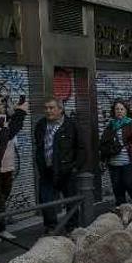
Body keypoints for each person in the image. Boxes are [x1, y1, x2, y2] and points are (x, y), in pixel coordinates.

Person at [33, 98, 85, 234]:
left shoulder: (71, 125)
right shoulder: (41, 125)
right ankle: (51, 228)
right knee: (46, 200)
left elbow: (81, 148)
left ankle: (72, 228)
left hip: (66, 171)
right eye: (46, 108)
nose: (48, 111)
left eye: (51, 108)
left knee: (71, 201)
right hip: (46, 171)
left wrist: (75, 168)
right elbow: (39, 147)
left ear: (60, 109)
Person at [0, 95, 28, 243]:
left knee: (0, 200)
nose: (3, 105)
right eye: (0, 103)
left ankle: (0, 229)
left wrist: (17, 112)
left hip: (6, 166)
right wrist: (20, 113)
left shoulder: (2, 118)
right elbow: (9, 133)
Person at [100, 100, 132, 206]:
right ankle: (122, 210)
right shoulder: (110, 126)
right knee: (117, 188)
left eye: (122, 109)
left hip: (128, 162)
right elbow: (103, 144)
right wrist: (102, 159)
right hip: (113, 163)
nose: (119, 111)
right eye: (117, 109)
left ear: (126, 111)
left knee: (130, 185)